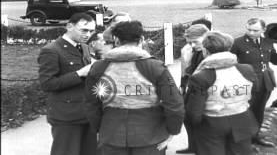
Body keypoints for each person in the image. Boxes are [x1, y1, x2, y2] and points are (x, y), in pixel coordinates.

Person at [84, 20, 185, 155]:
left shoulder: (98, 67)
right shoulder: (155, 67)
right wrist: (173, 130)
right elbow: (174, 103)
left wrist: (99, 129)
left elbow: (91, 103)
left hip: (111, 133)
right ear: (142, 39)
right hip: (150, 134)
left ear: (116, 40)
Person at [186, 31, 259, 155]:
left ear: (205, 51)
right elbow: (254, 92)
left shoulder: (200, 77)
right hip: (242, 119)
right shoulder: (247, 69)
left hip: (211, 124)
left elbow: (194, 113)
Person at [38, 13, 97, 155]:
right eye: (84, 30)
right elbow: (47, 84)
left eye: (91, 31)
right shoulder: (51, 50)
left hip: (87, 113)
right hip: (66, 117)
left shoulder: (84, 47)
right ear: (69, 26)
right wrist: (80, 73)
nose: (88, 34)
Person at [230, 18, 277, 147]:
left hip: (265, 82)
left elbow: (275, 61)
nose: (251, 33)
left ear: (263, 30)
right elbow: (231, 62)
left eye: (255, 30)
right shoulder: (237, 42)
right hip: (247, 82)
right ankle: (243, 140)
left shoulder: (267, 42)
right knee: (245, 111)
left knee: (259, 110)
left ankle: (255, 137)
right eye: (249, 29)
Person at [178, 24, 209, 154]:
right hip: (190, 87)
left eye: (195, 41)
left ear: (206, 36)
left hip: (204, 91)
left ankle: (202, 148)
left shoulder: (211, 51)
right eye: (190, 42)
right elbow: (185, 70)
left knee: (201, 120)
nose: (192, 45)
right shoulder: (190, 50)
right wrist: (182, 85)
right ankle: (193, 146)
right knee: (187, 118)